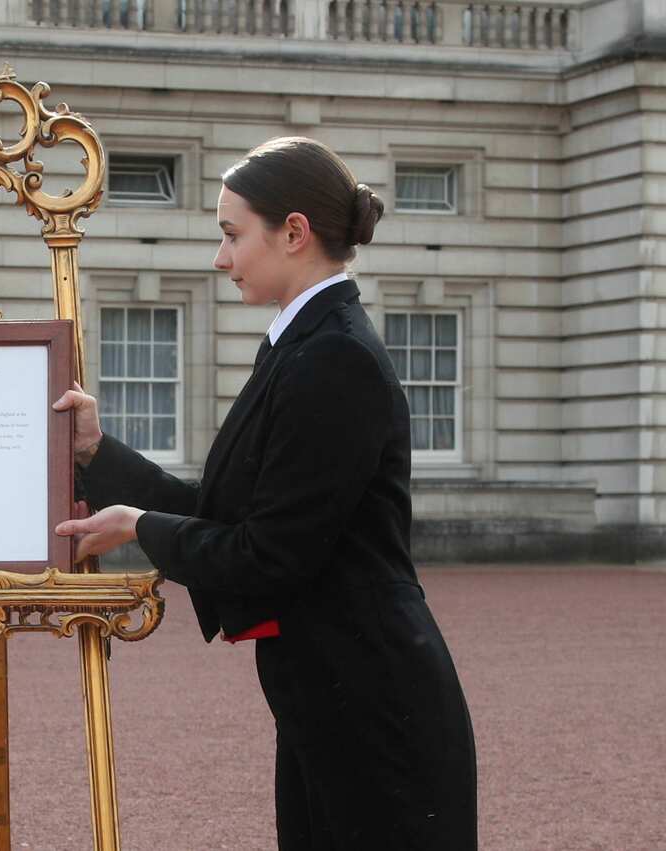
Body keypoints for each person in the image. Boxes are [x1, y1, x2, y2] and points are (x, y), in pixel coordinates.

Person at [54, 137, 477, 850]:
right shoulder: (301, 344)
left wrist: (140, 527)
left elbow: (269, 554)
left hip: (374, 707)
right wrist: (98, 452)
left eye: (230, 234)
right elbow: (227, 514)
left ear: (293, 232)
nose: (221, 258)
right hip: (334, 694)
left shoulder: (332, 355)